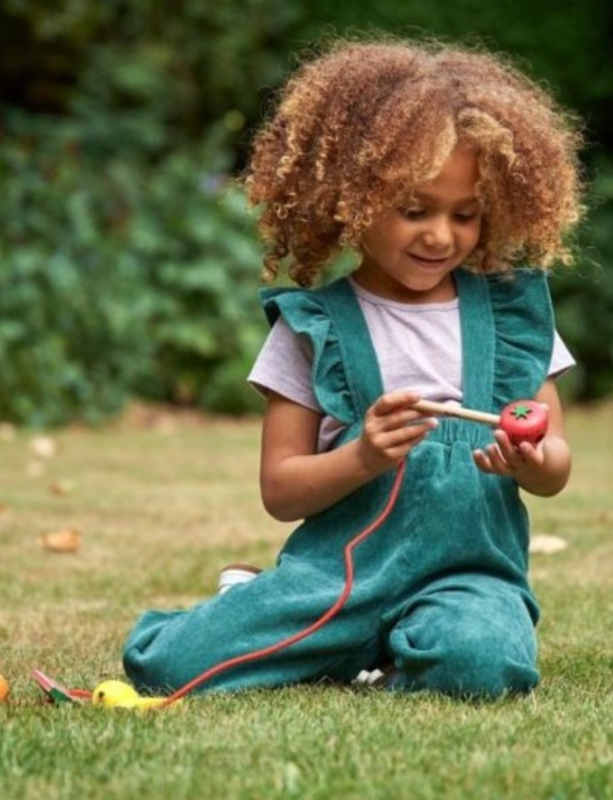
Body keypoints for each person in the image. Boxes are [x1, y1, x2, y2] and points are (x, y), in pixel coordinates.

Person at [122, 37, 584, 698]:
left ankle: (391, 655)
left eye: (466, 215)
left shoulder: (513, 321)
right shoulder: (315, 329)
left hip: (468, 580)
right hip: (337, 575)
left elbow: (557, 463)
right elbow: (281, 491)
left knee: (484, 665)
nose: (440, 235)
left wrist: (534, 464)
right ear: (353, 198)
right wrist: (363, 455)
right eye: (414, 209)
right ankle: (282, 611)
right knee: (167, 667)